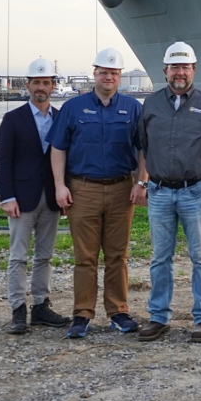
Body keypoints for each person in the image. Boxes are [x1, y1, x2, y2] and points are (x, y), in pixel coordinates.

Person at [134, 41, 201, 343]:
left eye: (185, 66)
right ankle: (158, 316)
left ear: (193, 70)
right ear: (165, 70)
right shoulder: (151, 104)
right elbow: (144, 144)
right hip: (160, 191)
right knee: (161, 257)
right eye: (174, 66)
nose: (180, 72)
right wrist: (148, 178)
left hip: (194, 192)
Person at [50, 48, 142, 339]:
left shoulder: (133, 107)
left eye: (114, 73)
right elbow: (58, 148)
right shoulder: (73, 108)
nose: (109, 77)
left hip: (121, 190)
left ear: (120, 77)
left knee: (118, 255)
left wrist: (142, 182)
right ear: (95, 74)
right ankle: (82, 314)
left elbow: (144, 148)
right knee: (85, 256)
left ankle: (118, 311)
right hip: (83, 189)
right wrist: (59, 186)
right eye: (104, 72)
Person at [0, 57, 70, 334]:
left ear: (53, 86)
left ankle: (41, 306)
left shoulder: (62, 118)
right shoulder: (12, 119)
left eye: (46, 82)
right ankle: (17, 309)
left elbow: (68, 158)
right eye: (36, 82)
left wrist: (64, 192)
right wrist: (7, 197)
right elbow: (3, 160)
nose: (41, 87)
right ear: (27, 85)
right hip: (22, 198)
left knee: (45, 256)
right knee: (18, 256)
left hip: (51, 196)